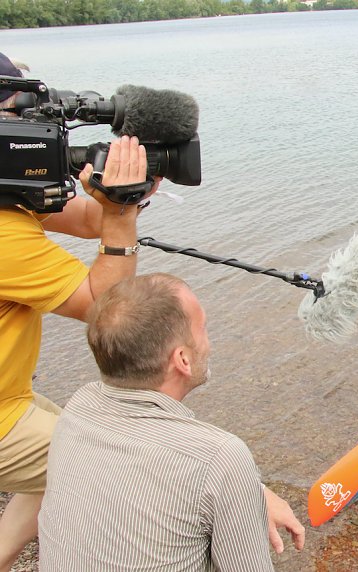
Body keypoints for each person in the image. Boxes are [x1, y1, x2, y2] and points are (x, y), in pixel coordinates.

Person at [0, 52, 159, 570]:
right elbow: (105, 309)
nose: (29, 127)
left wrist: (131, 189)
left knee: (55, 459)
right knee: (110, 462)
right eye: (16, 112)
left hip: (10, 396)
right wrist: (120, 220)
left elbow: (90, 219)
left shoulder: (10, 192)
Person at [38, 273, 306, 571]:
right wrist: (236, 484)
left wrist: (248, 491)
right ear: (183, 359)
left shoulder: (79, 406)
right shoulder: (221, 456)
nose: (208, 342)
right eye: (203, 329)